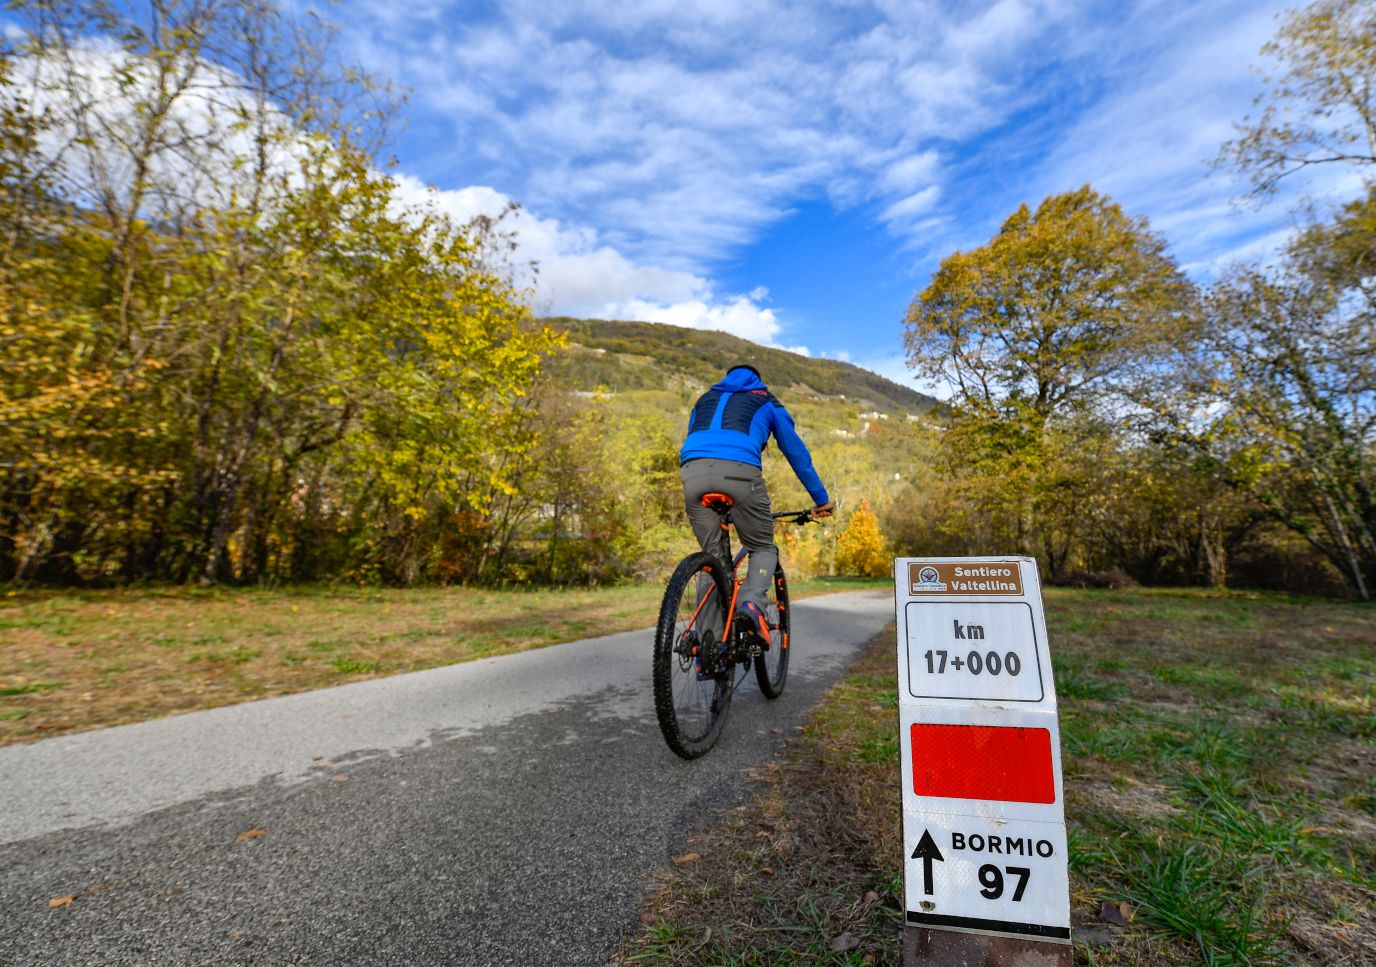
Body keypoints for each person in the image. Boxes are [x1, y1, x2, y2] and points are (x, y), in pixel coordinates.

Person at [679, 364, 834, 641]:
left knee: (713, 560)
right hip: (739, 472)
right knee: (762, 546)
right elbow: (795, 451)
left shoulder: (705, 399)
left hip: (693, 473)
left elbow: (695, 437)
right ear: (757, 380)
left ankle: (708, 645)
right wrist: (820, 499)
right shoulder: (765, 398)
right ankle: (751, 606)